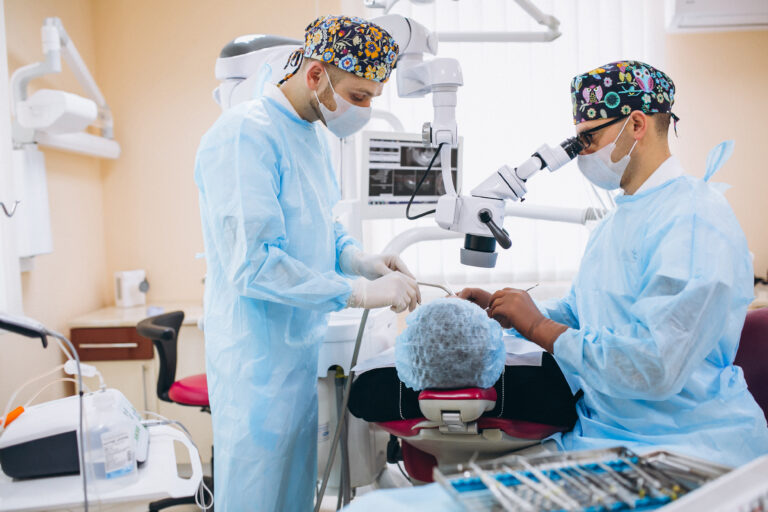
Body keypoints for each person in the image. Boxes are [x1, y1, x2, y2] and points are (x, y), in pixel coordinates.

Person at [460, 60, 768, 467]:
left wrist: (539, 326)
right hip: (605, 432)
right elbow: (585, 314)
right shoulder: (617, 221)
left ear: (636, 124)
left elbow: (655, 364)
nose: (580, 153)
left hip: (687, 444)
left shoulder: (694, 218)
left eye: (587, 139)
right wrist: (510, 312)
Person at [194, 15, 421, 511]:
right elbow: (253, 264)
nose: (363, 110)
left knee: (294, 492)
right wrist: (355, 293)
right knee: (256, 494)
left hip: (296, 351)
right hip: (255, 358)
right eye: (359, 96)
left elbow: (322, 226)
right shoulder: (243, 136)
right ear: (316, 74)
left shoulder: (312, 136)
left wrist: (360, 260)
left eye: (371, 99)